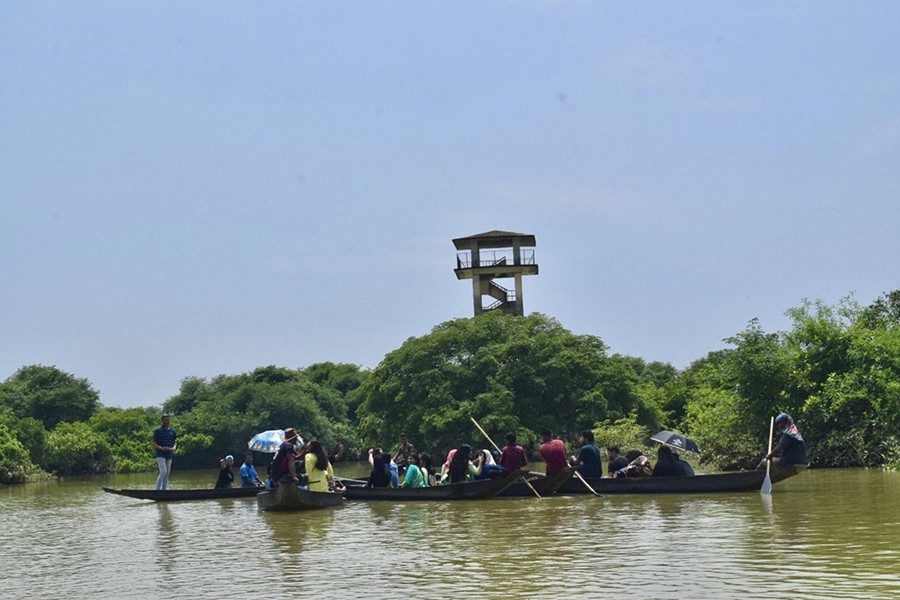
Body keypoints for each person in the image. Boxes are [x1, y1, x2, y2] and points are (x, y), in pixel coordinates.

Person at [151, 414, 177, 490]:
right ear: (162, 421)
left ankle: (164, 490)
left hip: (169, 454)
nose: (167, 421)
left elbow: (175, 441)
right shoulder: (158, 431)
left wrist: (174, 447)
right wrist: (161, 448)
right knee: (163, 472)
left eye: (168, 420)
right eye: (165, 420)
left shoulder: (173, 431)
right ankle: (157, 490)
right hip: (160, 454)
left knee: (167, 474)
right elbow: (153, 443)